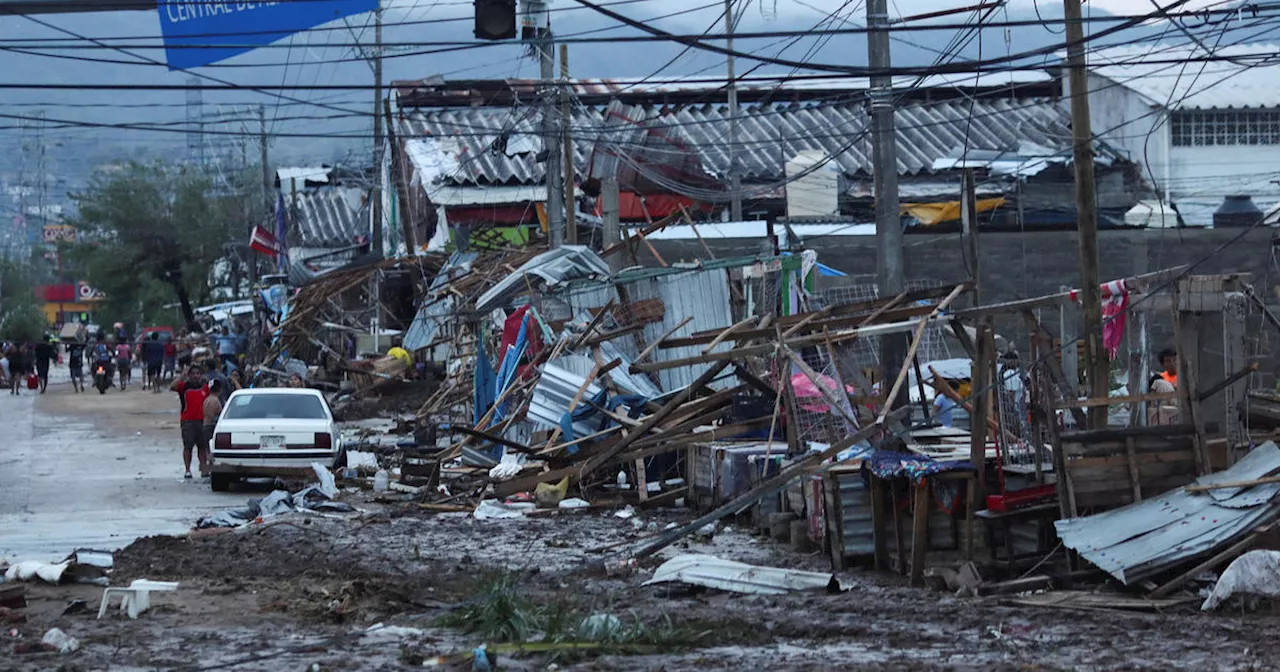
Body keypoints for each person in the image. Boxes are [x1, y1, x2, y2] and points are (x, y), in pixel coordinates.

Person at [171, 366, 210, 479]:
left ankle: (204, 468)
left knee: (202, 447)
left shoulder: (205, 387)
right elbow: (173, 386)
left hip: (202, 420)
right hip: (188, 421)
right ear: (189, 375)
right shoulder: (184, 387)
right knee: (188, 447)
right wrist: (182, 377)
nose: (195, 375)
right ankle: (187, 470)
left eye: (198, 373)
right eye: (193, 373)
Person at [203, 379, 224, 455]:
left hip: (205, 425)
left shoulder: (207, 399)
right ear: (220, 389)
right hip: (211, 426)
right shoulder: (215, 400)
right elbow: (212, 416)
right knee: (211, 449)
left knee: (207, 449)